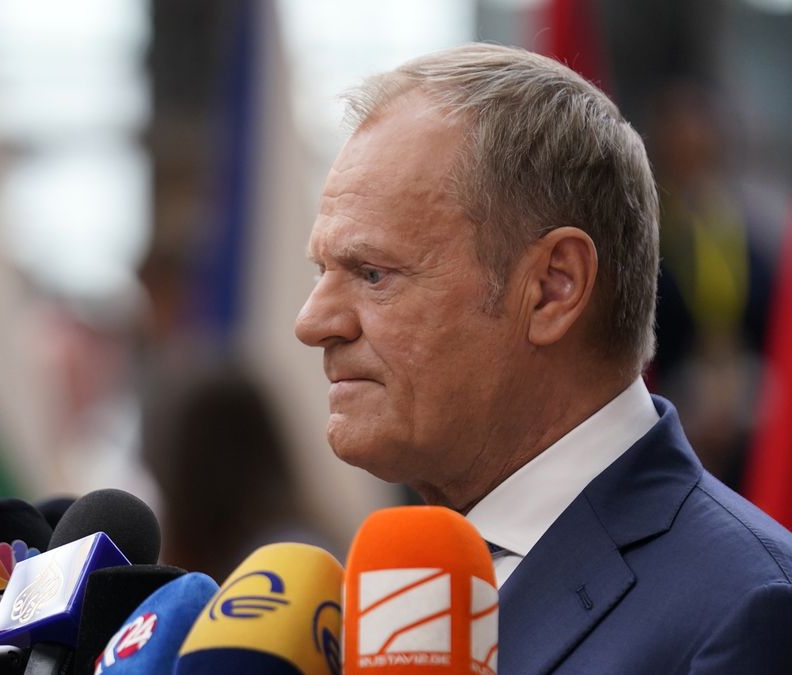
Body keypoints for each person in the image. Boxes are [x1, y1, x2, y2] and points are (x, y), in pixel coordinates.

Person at [294, 43, 792, 673]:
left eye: (372, 273)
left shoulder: (748, 614)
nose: (312, 323)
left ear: (554, 288)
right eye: (322, 270)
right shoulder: (388, 585)